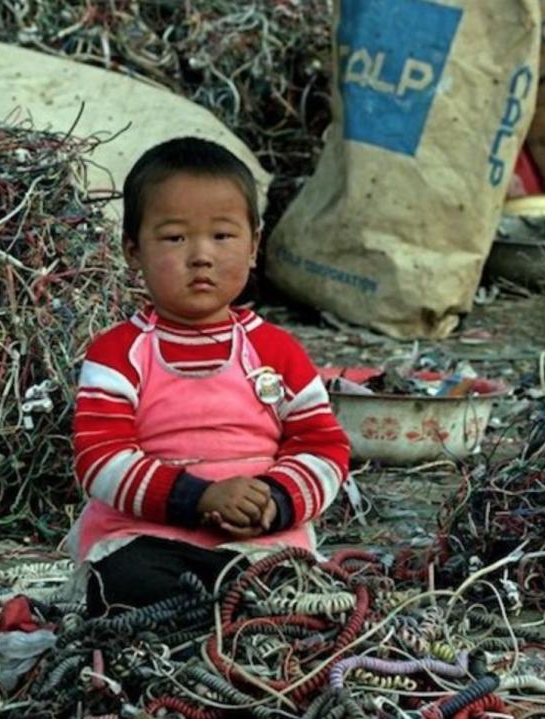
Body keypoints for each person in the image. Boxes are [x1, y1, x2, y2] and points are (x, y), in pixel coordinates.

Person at [70, 137, 350, 615]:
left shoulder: (278, 351)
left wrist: (274, 502)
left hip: (259, 544)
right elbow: (101, 458)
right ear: (133, 250)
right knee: (122, 585)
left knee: (286, 592)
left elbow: (324, 448)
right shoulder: (117, 354)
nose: (201, 255)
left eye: (222, 236)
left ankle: (232, 605)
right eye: (175, 238)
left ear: (254, 246)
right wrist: (199, 498)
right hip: (147, 538)